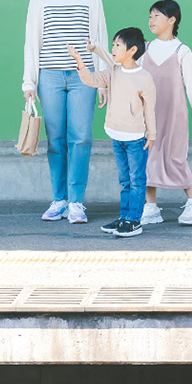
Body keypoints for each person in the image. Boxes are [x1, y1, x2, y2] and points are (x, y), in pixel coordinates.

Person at [22, 0, 108, 224]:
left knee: (81, 138)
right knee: (56, 139)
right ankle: (59, 200)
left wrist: (103, 79)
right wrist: (29, 82)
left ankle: (77, 203)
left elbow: (100, 40)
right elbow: (32, 42)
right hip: (50, 75)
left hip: (84, 76)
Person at [67, 28, 156, 238]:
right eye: (113, 44)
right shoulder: (113, 72)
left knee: (137, 181)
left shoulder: (144, 78)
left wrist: (151, 135)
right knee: (125, 181)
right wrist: (80, 60)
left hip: (136, 139)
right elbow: (91, 79)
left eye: (118, 45)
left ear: (132, 50)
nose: (113, 48)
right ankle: (124, 217)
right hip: (117, 136)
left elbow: (150, 109)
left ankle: (134, 220)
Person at [140, 0, 192, 226]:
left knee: (175, 158)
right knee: (148, 159)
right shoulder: (145, 48)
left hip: (174, 116)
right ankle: (150, 208)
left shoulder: (182, 51)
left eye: (156, 16)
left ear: (172, 20)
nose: (151, 20)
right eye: (150, 16)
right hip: (149, 116)